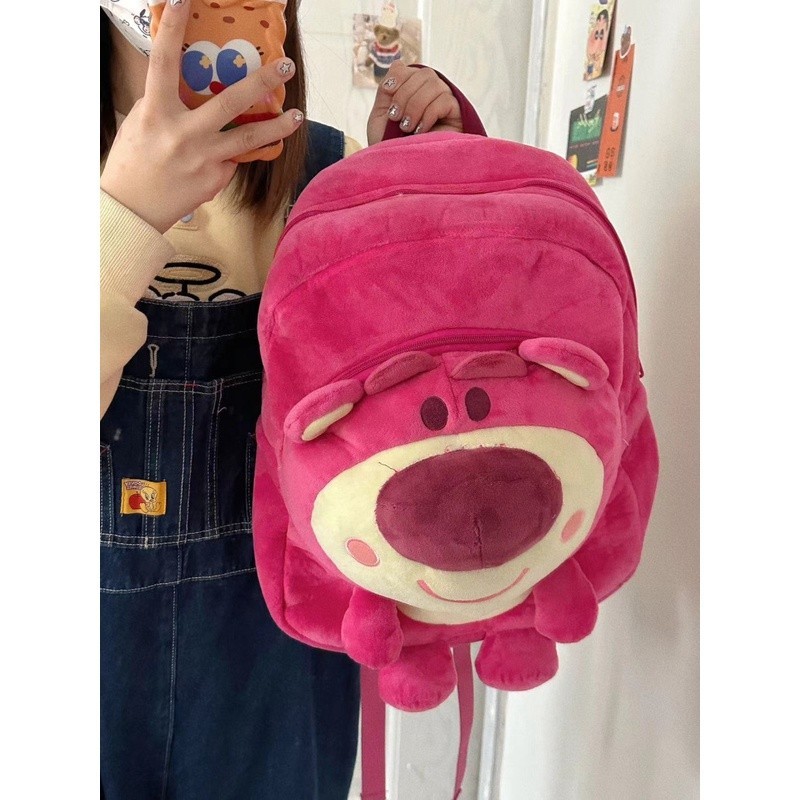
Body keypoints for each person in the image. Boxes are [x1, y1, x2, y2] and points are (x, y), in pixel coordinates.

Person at [99, 1, 478, 798]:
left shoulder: (326, 178)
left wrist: (408, 191)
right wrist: (122, 218)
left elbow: (412, 420)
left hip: (279, 665)